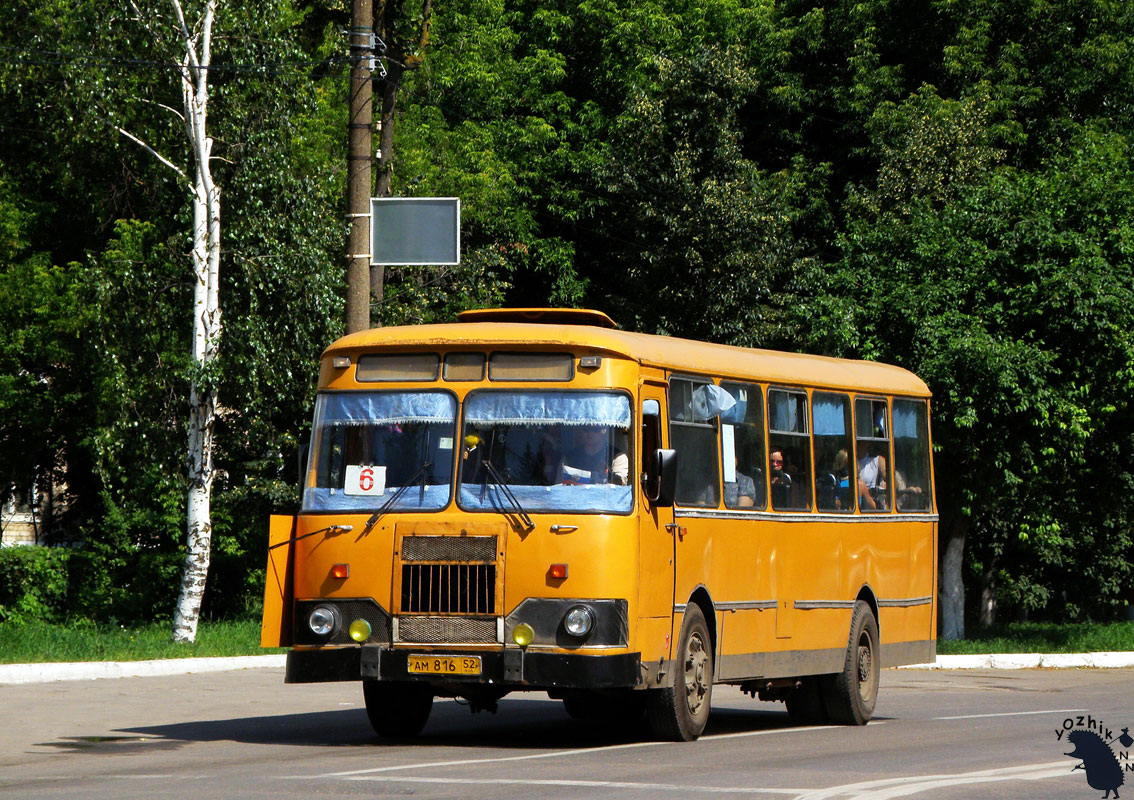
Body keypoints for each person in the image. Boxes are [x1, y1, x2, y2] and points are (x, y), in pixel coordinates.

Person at [561, 426, 628, 485]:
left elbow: (619, 487)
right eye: (586, 429)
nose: (590, 433)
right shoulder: (569, 457)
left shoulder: (617, 457)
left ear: (604, 430)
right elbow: (559, 485)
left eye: (595, 429)